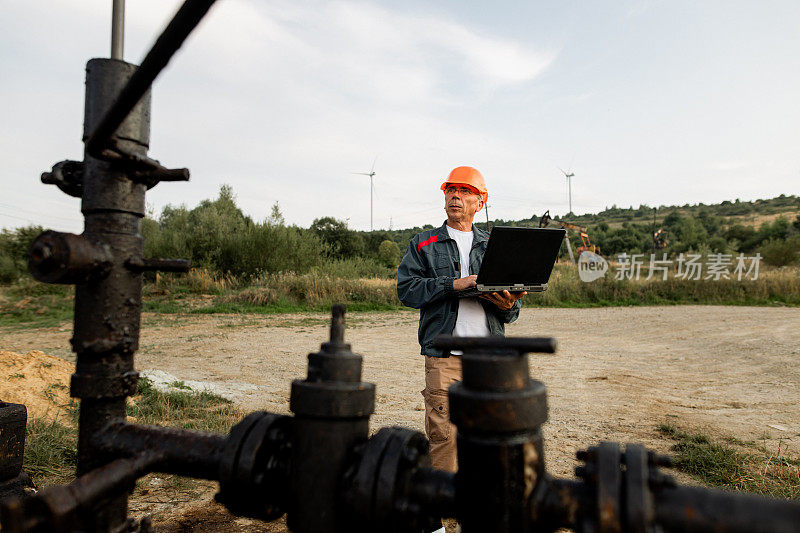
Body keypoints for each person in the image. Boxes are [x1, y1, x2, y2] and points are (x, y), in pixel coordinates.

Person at [396, 166, 526, 474]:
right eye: (451, 190)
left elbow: (513, 312)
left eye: (465, 191)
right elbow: (406, 290)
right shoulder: (423, 244)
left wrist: (508, 304)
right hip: (444, 359)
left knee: (488, 440)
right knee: (445, 439)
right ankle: (441, 518)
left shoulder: (496, 245)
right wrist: (455, 284)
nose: (456, 195)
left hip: (489, 360)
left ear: (480, 202)